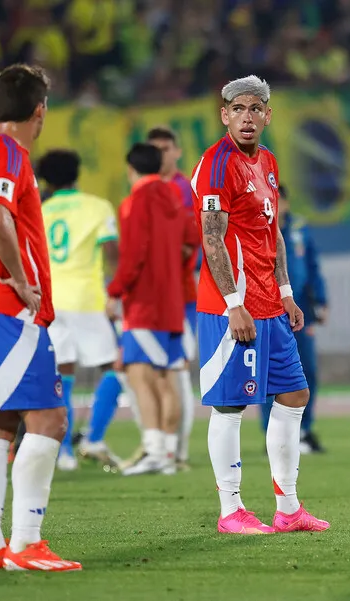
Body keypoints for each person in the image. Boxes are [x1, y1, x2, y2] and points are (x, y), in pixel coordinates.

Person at [193, 75, 330, 535]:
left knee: (294, 396)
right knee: (230, 407)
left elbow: (273, 236)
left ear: (268, 115)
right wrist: (234, 304)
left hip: (271, 305)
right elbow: (213, 240)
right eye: (239, 108)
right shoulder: (217, 165)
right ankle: (230, 510)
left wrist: (288, 293)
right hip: (232, 309)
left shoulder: (268, 162)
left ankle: (288, 508)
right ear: (224, 114)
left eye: (256, 108)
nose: (247, 117)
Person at [0, 63, 80, 572]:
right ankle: (27, 542)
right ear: (39, 110)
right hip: (12, 312)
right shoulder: (11, 155)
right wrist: (20, 280)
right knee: (51, 420)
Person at [107, 143, 196, 476]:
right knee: (170, 377)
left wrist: (116, 290)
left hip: (144, 304)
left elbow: (133, 254)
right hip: (173, 303)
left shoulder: (134, 203)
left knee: (139, 376)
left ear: (131, 169)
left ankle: (155, 450)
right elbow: (192, 241)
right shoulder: (175, 197)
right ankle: (169, 455)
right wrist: (173, 272)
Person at [38, 148, 124, 471]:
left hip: (52, 301)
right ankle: (93, 438)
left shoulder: (41, 210)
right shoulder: (97, 207)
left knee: (64, 377)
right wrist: (115, 292)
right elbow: (112, 251)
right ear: (77, 173)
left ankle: (64, 454)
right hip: (87, 300)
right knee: (117, 368)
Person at [259, 184, 328, 454]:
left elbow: (312, 265)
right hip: (270, 309)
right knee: (270, 373)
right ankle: (272, 432)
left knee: (307, 371)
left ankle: (305, 429)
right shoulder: (259, 227)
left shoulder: (299, 227)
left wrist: (321, 300)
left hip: (302, 310)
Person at [147, 125, 199, 469]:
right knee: (155, 372)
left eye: (166, 148)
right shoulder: (150, 189)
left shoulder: (182, 189)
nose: (162, 155)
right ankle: (161, 447)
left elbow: (190, 242)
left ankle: (174, 451)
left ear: (177, 152)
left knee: (176, 370)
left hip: (181, 294)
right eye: (155, 149)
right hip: (156, 295)